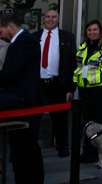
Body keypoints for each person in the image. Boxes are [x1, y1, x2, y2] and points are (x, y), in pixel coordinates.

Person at [0, 13, 44, 184]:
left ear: (10, 26)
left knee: (27, 148)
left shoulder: (25, 41)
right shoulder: (20, 42)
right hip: (19, 102)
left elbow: (10, 74)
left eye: (1, 31)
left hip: (25, 104)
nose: (1, 35)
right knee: (20, 148)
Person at [74, 19, 102, 164]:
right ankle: (88, 152)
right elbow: (79, 68)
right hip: (85, 91)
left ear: (100, 31)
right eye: (89, 30)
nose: (92, 32)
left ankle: (98, 154)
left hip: (101, 91)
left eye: (95, 30)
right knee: (87, 123)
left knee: (99, 123)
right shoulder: (83, 47)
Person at [39, 7, 76, 157]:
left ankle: (62, 147)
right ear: (44, 19)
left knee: (60, 118)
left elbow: (72, 64)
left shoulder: (67, 37)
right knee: (34, 117)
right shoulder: (35, 36)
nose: (50, 19)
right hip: (38, 83)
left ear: (58, 19)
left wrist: (70, 88)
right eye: (48, 16)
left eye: (54, 17)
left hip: (58, 84)